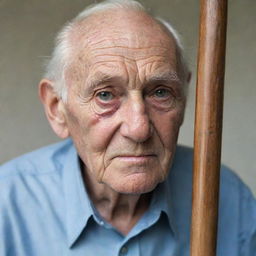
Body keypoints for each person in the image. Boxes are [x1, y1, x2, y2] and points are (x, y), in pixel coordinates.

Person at [0, 0, 255, 255]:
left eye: (160, 92)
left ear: (185, 99)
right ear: (57, 108)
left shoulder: (226, 197)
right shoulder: (8, 206)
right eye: (105, 95)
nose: (139, 128)